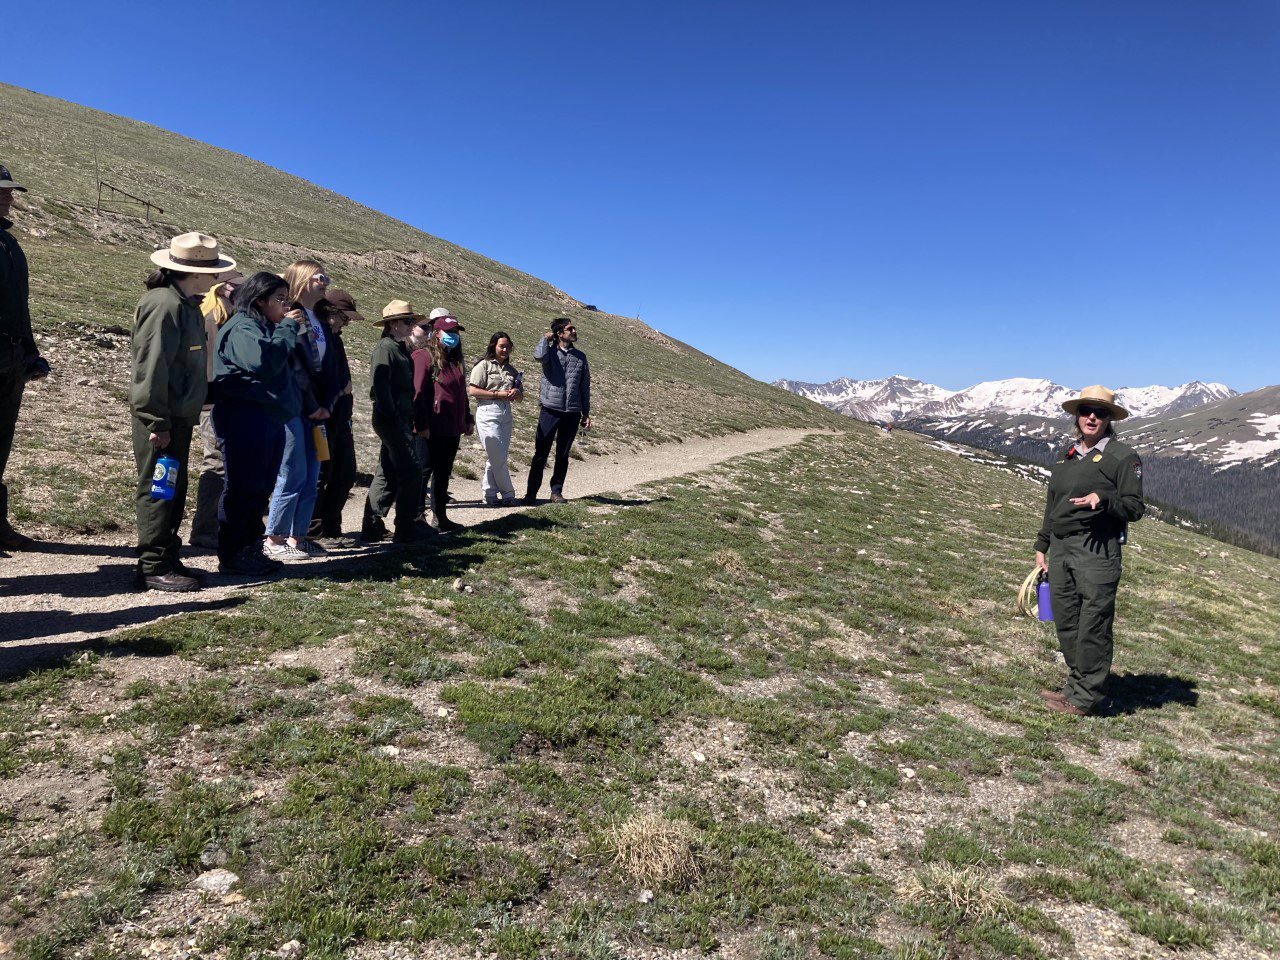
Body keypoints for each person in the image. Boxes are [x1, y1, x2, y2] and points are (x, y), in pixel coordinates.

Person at [129, 232, 235, 591]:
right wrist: (156, 421)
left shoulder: (186, 303)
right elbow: (151, 366)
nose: (218, 277)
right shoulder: (165, 304)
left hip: (177, 415)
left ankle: (167, 557)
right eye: (213, 270)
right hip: (162, 417)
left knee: (171, 486)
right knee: (159, 487)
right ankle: (152, 564)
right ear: (194, 273)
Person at [1034, 385, 1145, 716]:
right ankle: (1075, 685)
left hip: (1097, 549)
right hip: (1063, 548)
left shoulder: (1123, 457)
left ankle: (1086, 697)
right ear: (1077, 416)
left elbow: (1135, 507)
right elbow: (1053, 506)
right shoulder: (1065, 458)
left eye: (1100, 412)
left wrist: (1105, 499)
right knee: (1066, 619)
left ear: (1110, 419)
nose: (1092, 417)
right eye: (1085, 411)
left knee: (1092, 623)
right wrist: (1043, 544)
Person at [211, 272, 300, 576]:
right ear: (260, 300)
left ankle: (250, 549)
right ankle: (234, 554)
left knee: (259, 487)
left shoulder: (262, 326)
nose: (286, 306)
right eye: (280, 299)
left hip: (264, 416)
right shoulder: (243, 327)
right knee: (243, 486)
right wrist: (288, 327)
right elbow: (264, 362)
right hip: (245, 416)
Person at [264, 260, 334, 560]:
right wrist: (313, 404)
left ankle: (298, 536)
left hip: (317, 408)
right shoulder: (289, 316)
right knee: (292, 471)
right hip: (294, 404)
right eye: (320, 276)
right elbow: (294, 367)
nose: (326, 281)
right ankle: (275, 538)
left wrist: (327, 404)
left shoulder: (318, 319)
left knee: (312, 472)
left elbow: (329, 368)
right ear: (303, 279)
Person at [0, 163, 48, 551]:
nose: (9, 198)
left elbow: (20, 306)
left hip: (11, 356)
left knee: (1, 440)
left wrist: (30, 352)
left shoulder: (11, 245)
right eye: (2, 191)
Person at [362, 300, 427, 544]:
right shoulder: (385, 348)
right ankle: (405, 528)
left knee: (388, 471)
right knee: (411, 471)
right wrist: (391, 412)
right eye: (408, 321)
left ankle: (372, 526)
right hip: (391, 419)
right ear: (392, 324)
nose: (412, 325)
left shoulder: (398, 347)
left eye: (413, 320)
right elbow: (380, 384)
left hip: (399, 418)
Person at [189, 271, 244, 549]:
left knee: (223, 462)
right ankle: (204, 528)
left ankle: (214, 525)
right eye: (235, 285)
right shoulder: (213, 315)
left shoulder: (225, 314)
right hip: (212, 399)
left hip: (221, 398)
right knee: (216, 462)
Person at [308, 290, 359, 548]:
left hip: (340, 416)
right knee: (321, 474)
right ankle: (315, 531)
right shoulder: (319, 338)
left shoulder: (334, 338)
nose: (346, 322)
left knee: (344, 472)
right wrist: (341, 390)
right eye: (343, 316)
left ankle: (332, 527)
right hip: (324, 415)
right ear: (330, 312)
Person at [524, 317, 591, 505]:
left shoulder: (580, 357)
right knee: (541, 453)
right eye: (570, 329)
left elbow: (584, 387)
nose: (575, 331)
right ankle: (531, 493)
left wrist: (585, 413)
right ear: (560, 333)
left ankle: (556, 492)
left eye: (574, 328)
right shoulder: (549, 353)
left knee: (563, 454)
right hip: (549, 410)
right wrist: (545, 339)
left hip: (572, 412)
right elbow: (537, 356)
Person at [418, 308, 473, 533]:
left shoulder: (455, 360)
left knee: (443, 473)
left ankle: (440, 517)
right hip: (432, 427)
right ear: (437, 333)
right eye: (449, 331)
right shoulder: (424, 356)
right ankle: (416, 518)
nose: (454, 335)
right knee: (424, 472)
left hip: (452, 427)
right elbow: (418, 392)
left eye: (456, 331)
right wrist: (421, 424)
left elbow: (461, 393)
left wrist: (467, 418)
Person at [468, 331, 523, 505]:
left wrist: (517, 393)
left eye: (508, 346)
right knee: (497, 455)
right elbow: (473, 390)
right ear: (494, 346)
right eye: (501, 346)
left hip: (506, 413)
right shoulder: (483, 366)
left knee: (498, 455)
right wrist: (497, 393)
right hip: (487, 411)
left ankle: (490, 494)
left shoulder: (512, 371)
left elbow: (521, 398)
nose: (505, 349)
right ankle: (508, 493)